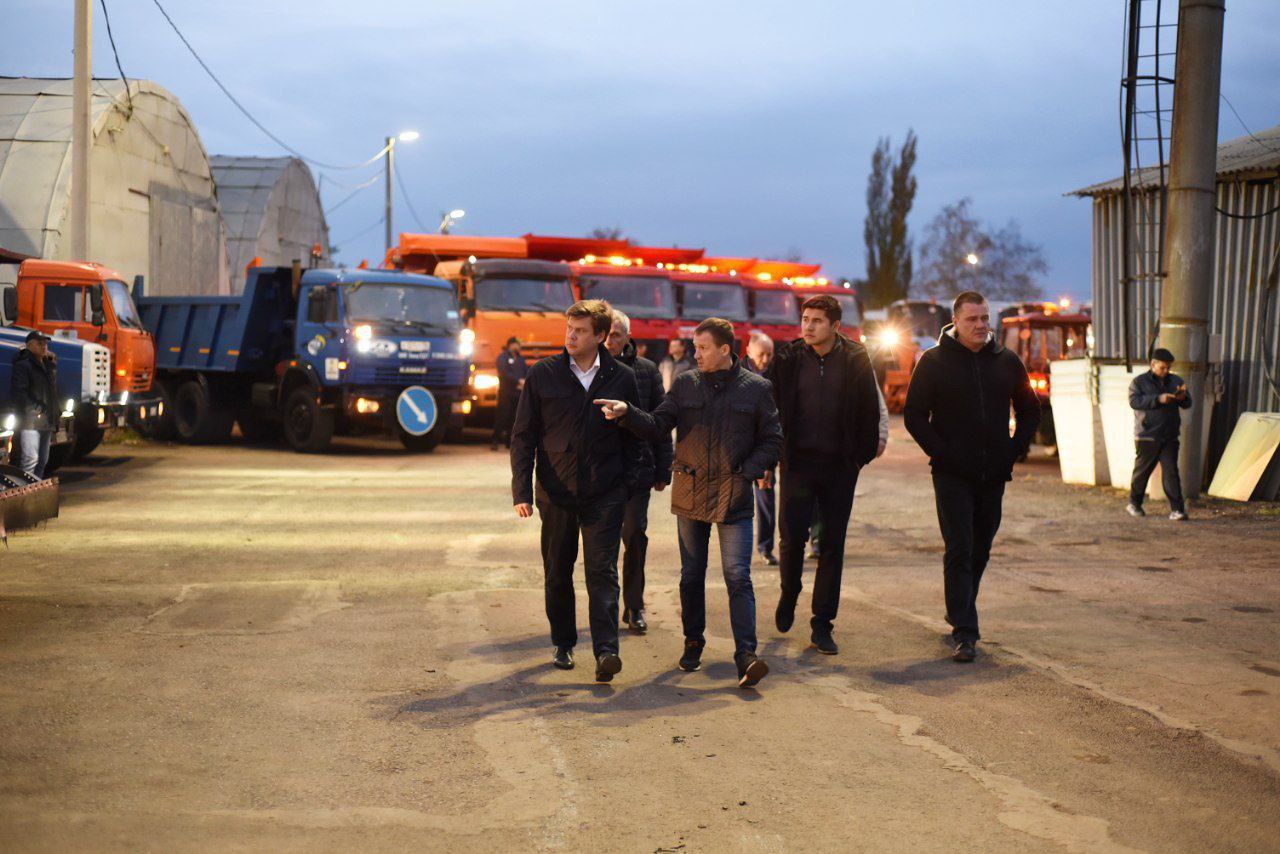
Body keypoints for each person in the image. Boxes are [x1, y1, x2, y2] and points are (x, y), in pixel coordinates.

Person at [596, 318, 783, 688]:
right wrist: (627, 412)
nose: (695, 354)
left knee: (738, 576)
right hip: (690, 491)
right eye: (695, 348)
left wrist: (748, 471)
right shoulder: (685, 384)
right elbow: (657, 424)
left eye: (702, 348)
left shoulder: (757, 389)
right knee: (692, 575)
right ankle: (693, 643)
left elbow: (773, 439)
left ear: (725, 349)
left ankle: (746, 655)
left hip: (733, 495)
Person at [510, 300, 649, 682]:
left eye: (581, 331)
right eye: (569, 328)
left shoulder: (622, 377)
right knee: (557, 571)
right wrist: (522, 490)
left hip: (605, 493)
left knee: (602, 573)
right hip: (556, 492)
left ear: (600, 336)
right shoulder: (543, 374)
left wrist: (627, 483)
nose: (571, 336)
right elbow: (522, 436)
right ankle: (563, 642)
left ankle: (607, 651)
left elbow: (635, 435)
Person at [904, 291, 1040, 663]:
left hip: (993, 474)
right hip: (952, 474)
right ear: (956, 322)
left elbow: (1030, 410)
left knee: (981, 549)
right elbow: (914, 414)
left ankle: (959, 607)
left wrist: (1013, 450)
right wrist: (941, 451)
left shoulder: (1007, 361)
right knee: (960, 547)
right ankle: (966, 632)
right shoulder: (933, 362)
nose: (981, 325)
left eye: (984, 318)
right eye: (972, 319)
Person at [764, 295, 882, 655]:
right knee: (791, 539)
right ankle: (789, 592)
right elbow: (768, 408)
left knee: (832, 545)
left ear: (835, 326)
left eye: (816, 320)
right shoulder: (787, 358)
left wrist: (857, 458)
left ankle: (822, 624)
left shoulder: (856, 358)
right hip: (797, 465)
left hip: (839, 469)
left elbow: (869, 411)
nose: (808, 326)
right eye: (805, 319)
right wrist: (769, 458)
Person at [604, 309, 673, 634]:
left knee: (634, 535)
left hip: (637, 471)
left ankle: (634, 606)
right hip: (601, 473)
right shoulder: (588, 368)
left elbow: (661, 421)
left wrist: (663, 469)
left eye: (615, 335)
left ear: (627, 338)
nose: (609, 340)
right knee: (603, 544)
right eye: (605, 334)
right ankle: (605, 607)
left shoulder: (647, 371)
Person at [1127, 348, 1191, 521]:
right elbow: (1134, 401)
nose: (1166, 371)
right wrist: (1158, 399)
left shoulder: (1176, 381)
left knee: (1171, 473)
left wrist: (1183, 398)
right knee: (1142, 473)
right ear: (1153, 364)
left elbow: (1188, 403)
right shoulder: (1139, 382)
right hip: (1147, 435)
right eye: (1163, 367)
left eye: (1168, 367)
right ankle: (1134, 503)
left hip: (1169, 435)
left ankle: (1178, 509)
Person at [746, 332, 779, 565]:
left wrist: (768, 463)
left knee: (766, 499)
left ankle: (766, 548)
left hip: (765, 452)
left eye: (769, 354)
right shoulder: (737, 374)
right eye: (761, 354)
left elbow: (776, 424)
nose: (765, 360)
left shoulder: (775, 378)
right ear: (749, 351)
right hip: (740, 450)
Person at [10, 330, 59, 479]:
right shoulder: (23, 365)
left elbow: (52, 393)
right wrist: (36, 410)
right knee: (30, 459)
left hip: (46, 420)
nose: (44, 346)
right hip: (30, 421)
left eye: (45, 343)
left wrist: (56, 413)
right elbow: (19, 393)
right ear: (29, 345)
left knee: (43, 460)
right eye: (39, 343)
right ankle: (25, 489)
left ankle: (35, 489)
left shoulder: (47, 366)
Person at [491, 336, 528, 450]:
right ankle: (495, 440)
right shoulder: (503, 357)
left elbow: (525, 372)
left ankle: (509, 442)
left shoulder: (520, 359)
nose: (519, 346)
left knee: (514, 418)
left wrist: (525, 382)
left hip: (518, 393)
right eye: (517, 344)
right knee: (502, 416)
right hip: (506, 393)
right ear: (511, 345)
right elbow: (503, 372)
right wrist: (518, 381)